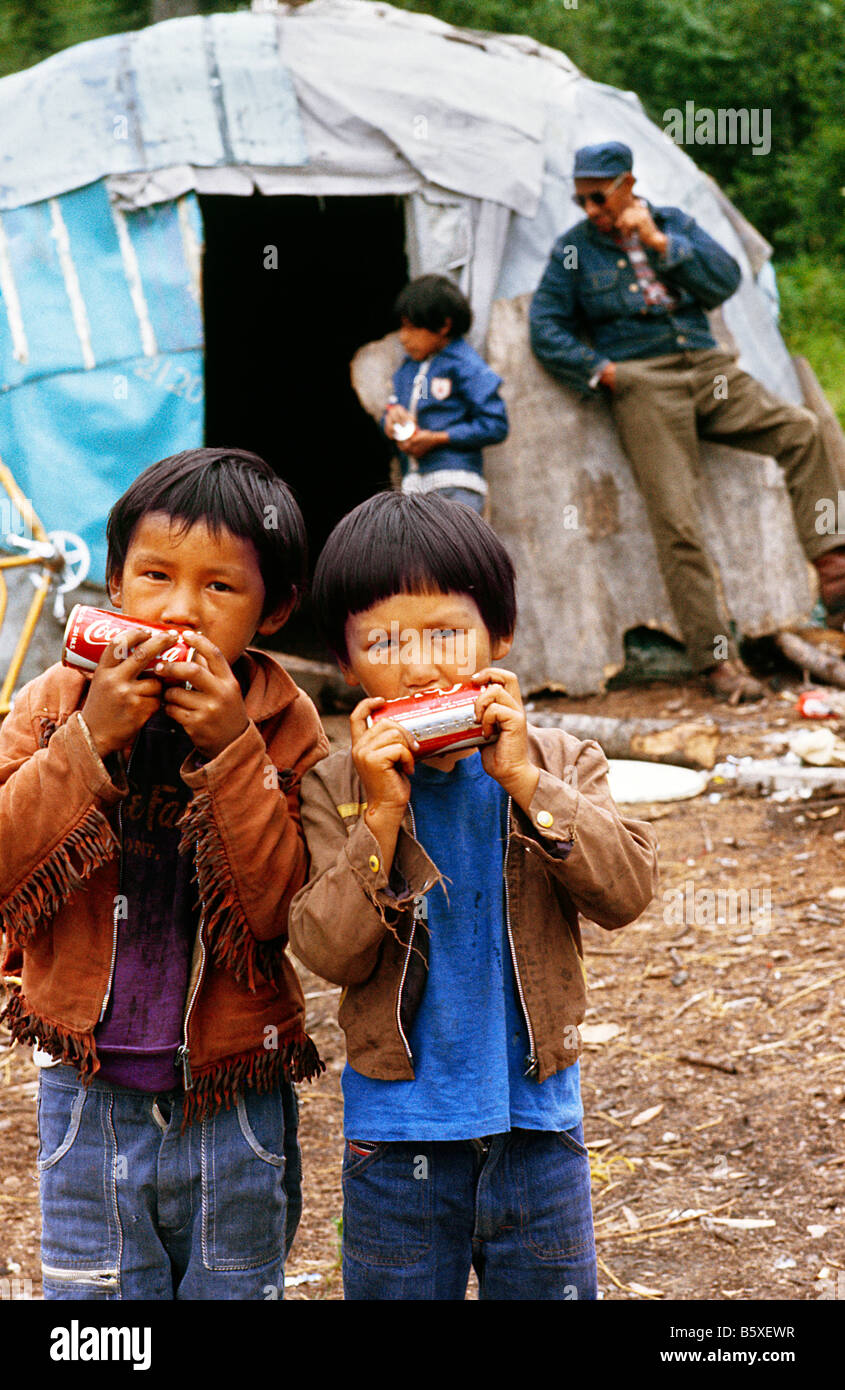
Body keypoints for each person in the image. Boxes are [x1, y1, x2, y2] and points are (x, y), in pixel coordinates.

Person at [288, 491, 658, 1301]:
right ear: (347, 666)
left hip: (539, 1131)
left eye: (447, 634)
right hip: (396, 1139)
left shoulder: (557, 759)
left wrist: (525, 782)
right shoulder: (333, 786)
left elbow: (626, 891)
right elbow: (326, 950)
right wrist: (380, 817)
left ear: (500, 637)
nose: (420, 666)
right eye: (384, 641)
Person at [0, 447, 329, 1300]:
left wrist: (232, 750)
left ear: (277, 607)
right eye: (154, 576)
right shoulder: (54, 703)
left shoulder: (288, 728)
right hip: (87, 1097)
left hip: (234, 1097)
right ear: (114, 586)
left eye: (220, 588)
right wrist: (88, 739)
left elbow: (279, 913)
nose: (180, 612)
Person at [529, 140, 845, 703]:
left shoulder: (676, 223)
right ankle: (717, 661)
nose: (592, 211)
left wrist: (659, 242)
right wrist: (603, 372)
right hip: (644, 384)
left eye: (599, 198)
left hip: (709, 371)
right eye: (581, 201)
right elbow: (545, 325)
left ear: (627, 184)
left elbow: (723, 281)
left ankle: (833, 568)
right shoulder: (573, 251)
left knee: (802, 429)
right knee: (678, 523)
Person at [383, 273, 509, 514]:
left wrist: (438, 438)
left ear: (443, 325)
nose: (403, 337)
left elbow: (496, 424)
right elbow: (392, 410)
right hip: (414, 487)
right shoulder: (407, 368)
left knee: (452, 549)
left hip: (456, 486)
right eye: (402, 326)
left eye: (412, 327)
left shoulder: (466, 365)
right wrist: (390, 422)